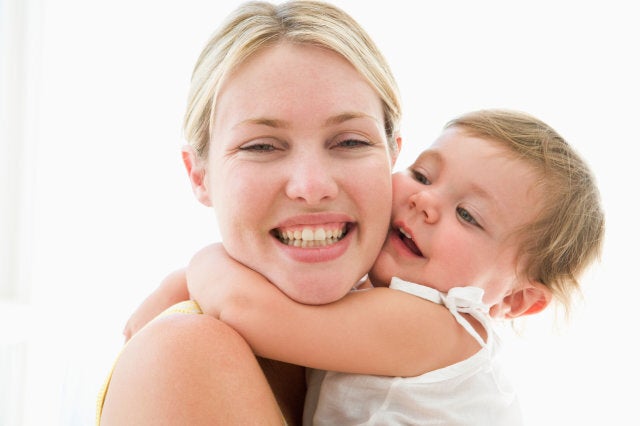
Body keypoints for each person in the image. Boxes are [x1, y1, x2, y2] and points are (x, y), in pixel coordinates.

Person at [179, 109, 605, 425]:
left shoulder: (440, 327)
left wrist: (199, 264)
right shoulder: (381, 299)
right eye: (422, 175)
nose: (425, 201)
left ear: (516, 299)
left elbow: (246, 308)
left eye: (468, 215)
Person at [97, 1, 402, 424]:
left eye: (350, 142)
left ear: (392, 158)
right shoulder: (186, 355)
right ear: (200, 176)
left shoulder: (422, 329)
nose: (312, 187)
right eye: (261, 146)